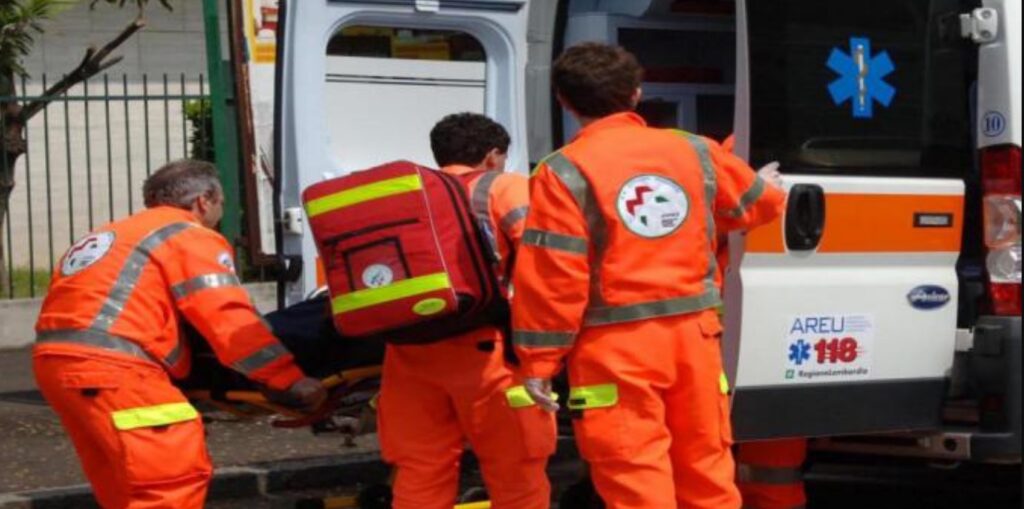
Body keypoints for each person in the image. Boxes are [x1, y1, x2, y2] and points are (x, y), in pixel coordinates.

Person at [512, 43, 786, 509]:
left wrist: (539, 364)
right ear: (636, 94)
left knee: (635, 475)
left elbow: (554, 277)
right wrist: (767, 185)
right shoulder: (693, 150)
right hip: (694, 339)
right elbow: (759, 204)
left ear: (563, 100)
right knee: (706, 470)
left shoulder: (562, 172)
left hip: (613, 351)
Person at [33, 160, 326, 509]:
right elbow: (227, 319)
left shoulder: (113, 235)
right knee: (169, 477)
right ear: (204, 201)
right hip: (117, 371)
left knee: (124, 483)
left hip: (58, 367)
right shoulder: (189, 236)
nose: (220, 211)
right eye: (220, 203)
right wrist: (287, 380)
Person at [375, 113, 555, 509]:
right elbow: (546, 262)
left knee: (421, 472)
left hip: (408, 353)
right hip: (488, 356)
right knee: (516, 473)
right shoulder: (504, 187)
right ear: (492, 156)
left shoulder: (407, 196)